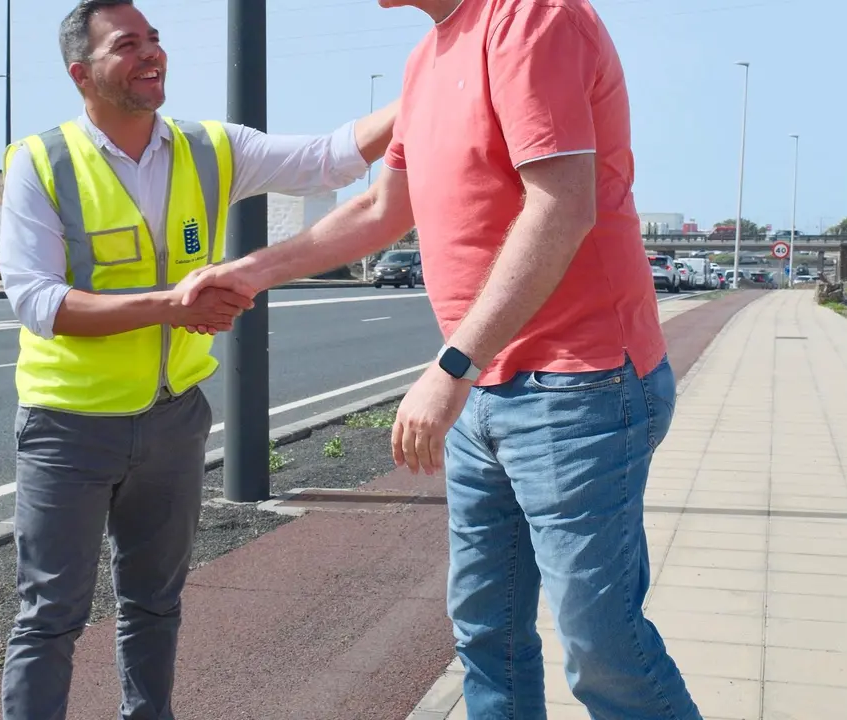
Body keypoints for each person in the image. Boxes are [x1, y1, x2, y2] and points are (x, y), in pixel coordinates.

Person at [178, 0, 702, 718]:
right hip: (486, 389)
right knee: (487, 634)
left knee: (601, 648)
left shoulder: (531, 20)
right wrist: (253, 272)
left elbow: (562, 205)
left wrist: (451, 364)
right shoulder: (428, 59)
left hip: (578, 385)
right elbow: (379, 211)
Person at [0, 1, 398, 718]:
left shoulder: (210, 148)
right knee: (50, 615)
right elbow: (37, 303)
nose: (153, 52)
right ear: (81, 74)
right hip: (68, 428)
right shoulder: (42, 162)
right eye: (129, 44)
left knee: (154, 604)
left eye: (155, 38)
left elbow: (331, 156)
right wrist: (171, 308)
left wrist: (431, 85)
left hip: (174, 421)